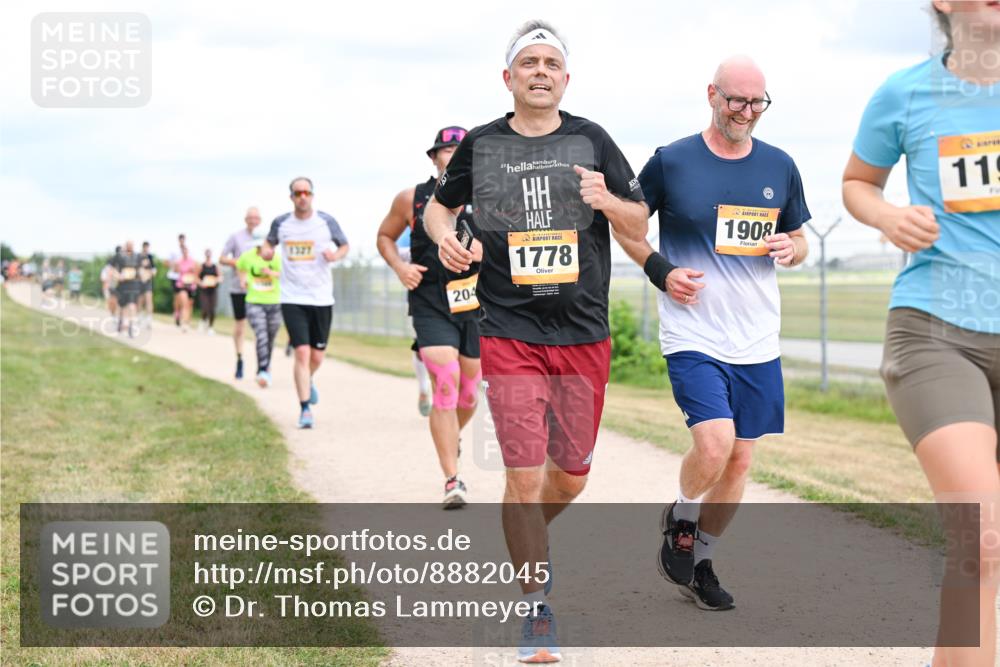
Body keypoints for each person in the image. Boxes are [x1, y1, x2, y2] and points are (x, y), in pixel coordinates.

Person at [424, 20, 647, 662]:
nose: (541, 72)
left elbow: (637, 219)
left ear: (566, 78)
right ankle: (536, 609)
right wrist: (443, 234)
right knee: (523, 477)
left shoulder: (592, 139)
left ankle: (524, 537)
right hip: (508, 330)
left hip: (582, 334)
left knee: (569, 478)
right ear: (509, 78)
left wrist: (607, 199)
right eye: (529, 63)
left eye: (552, 63)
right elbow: (442, 205)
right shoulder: (484, 144)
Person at [617, 55, 809, 612]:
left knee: (742, 461)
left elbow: (800, 240)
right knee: (715, 443)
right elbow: (628, 226)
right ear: (711, 95)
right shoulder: (671, 161)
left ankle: (700, 560)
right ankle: (681, 514)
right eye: (736, 101)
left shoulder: (780, 165)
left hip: (757, 339)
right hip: (693, 331)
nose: (747, 112)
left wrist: (791, 248)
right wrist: (662, 270)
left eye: (757, 103)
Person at [842, 3, 1000, 664]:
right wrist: (886, 216)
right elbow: (856, 183)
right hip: (937, 331)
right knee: (981, 535)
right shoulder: (904, 92)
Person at [377, 126, 482, 508]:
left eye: (461, 149)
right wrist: (399, 268)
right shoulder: (411, 199)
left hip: (475, 304)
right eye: (447, 149)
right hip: (430, 301)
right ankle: (452, 479)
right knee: (446, 382)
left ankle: (448, 435)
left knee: (470, 393)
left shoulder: (486, 196)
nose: (453, 154)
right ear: (433, 157)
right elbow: (384, 236)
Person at [262, 177, 350, 429]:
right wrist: (267, 250)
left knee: (317, 356)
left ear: (312, 195)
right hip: (292, 296)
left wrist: (335, 255)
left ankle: (308, 380)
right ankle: (305, 409)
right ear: (291, 197)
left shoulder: (326, 222)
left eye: (306, 192)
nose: (302, 196)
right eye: (297, 193)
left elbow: (344, 245)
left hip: (321, 297)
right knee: (301, 351)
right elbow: (268, 243)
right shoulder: (281, 223)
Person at [221, 208, 263, 379]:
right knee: (240, 325)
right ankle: (239, 359)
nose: (253, 220)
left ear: (260, 220)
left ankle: (262, 365)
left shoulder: (265, 238)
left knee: (260, 327)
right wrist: (238, 262)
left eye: (256, 217)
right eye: (250, 217)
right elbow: (222, 258)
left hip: (260, 288)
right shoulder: (235, 237)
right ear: (245, 219)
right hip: (239, 288)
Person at [236, 240, 283, 387]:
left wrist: (271, 273)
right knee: (261, 335)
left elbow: (284, 274)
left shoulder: (276, 257)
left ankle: (264, 368)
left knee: (270, 337)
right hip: (254, 301)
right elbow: (240, 267)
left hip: (274, 302)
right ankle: (263, 370)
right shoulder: (247, 256)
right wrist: (242, 280)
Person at [113, 240, 145, 337]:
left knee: (131, 305)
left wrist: (142, 276)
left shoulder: (137, 257)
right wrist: (118, 276)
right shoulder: (120, 257)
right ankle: (121, 322)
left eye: (131, 245)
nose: (130, 247)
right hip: (122, 285)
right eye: (128, 245)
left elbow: (140, 269)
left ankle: (131, 325)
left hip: (134, 285)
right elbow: (112, 269)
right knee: (122, 306)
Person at [173, 245, 199, 332]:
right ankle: (183, 323)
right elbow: (175, 271)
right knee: (184, 304)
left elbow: (197, 273)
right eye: (183, 251)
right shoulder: (179, 261)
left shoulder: (193, 262)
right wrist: (177, 267)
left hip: (191, 286)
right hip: (182, 285)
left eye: (186, 251)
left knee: (189, 305)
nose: (185, 253)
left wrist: (193, 271)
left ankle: (187, 321)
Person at [198, 249, 220, 334]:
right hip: (204, 290)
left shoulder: (215, 266)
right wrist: (201, 283)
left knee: (212, 309)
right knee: (205, 307)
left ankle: (211, 327)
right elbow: (196, 277)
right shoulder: (202, 266)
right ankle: (203, 320)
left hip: (213, 290)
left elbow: (220, 276)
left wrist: (217, 280)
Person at [167, 234, 186, 326]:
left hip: (184, 278)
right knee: (177, 296)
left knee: (183, 297)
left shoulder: (187, 250)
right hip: (175, 276)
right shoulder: (174, 251)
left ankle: (181, 314)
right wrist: (175, 267)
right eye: (181, 240)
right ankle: (177, 313)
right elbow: (168, 262)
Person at [138, 241, 156, 329]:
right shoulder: (138, 257)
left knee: (149, 299)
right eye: (145, 247)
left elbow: (154, 270)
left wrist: (149, 274)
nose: (146, 249)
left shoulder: (150, 257)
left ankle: (149, 319)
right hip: (139, 281)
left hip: (148, 281)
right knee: (140, 300)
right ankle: (140, 317)